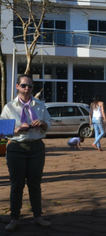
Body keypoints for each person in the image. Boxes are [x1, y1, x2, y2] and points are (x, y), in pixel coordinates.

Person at [0, 74, 52, 231]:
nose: (27, 88)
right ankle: (14, 218)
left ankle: (38, 216)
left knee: (35, 184)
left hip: (36, 148)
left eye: (30, 86)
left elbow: (49, 125)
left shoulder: (40, 105)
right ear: (17, 86)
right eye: (24, 85)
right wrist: (16, 129)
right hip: (16, 148)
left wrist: (42, 123)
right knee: (17, 185)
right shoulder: (9, 107)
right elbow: (2, 130)